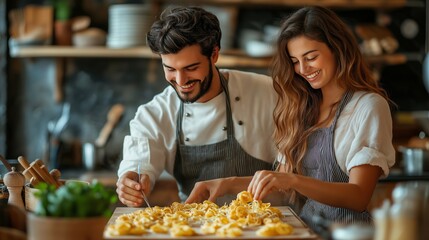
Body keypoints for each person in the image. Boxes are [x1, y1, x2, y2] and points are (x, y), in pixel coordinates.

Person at [186, 6, 395, 230]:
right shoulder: (303, 107)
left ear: (338, 49)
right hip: (306, 229)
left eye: (311, 57)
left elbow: (358, 196)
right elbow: (280, 183)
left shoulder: (368, 107)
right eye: (295, 61)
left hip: (348, 234)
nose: (303, 69)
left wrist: (293, 180)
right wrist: (225, 184)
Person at [115, 6, 278, 207]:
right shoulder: (155, 113)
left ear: (214, 55)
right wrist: (130, 181)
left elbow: (293, 176)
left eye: (191, 68)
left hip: (268, 223)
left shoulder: (267, 93)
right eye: (170, 69)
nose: (181, 80)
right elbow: (139, 163)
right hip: (194, 227)